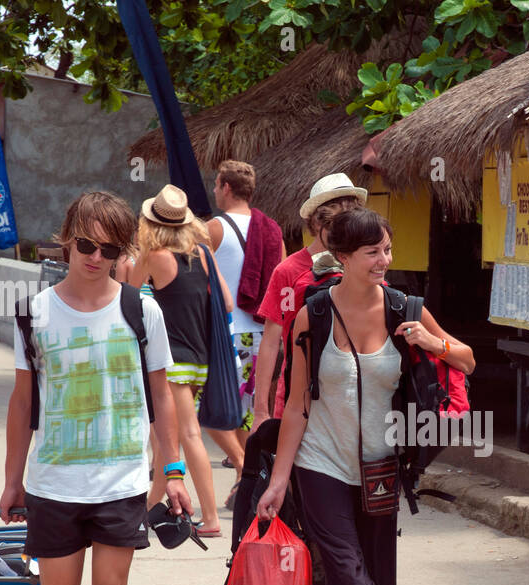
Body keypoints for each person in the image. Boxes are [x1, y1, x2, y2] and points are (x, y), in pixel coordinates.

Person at [256, 208, 474, 585]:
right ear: (346, 257)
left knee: (363, 578)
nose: (385, 260)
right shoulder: (313, 316)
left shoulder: (405, 308)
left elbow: (466, 361)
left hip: (379, 469)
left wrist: (430, 342)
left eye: (388, 250)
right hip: (320, 464)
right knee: (347, 571)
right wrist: (279, 478)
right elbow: (298, 406)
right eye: (373, 252)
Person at [0, 190, 192, 585]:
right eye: (85, 244)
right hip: (53, 482)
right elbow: (20, 402)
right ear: (67, 239)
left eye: (108, 249)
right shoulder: (34, 312)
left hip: (122, 481)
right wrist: (12, 480)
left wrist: (174, 466)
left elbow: (162, 397)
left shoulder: (141, 309)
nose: (95, 257)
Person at [127, 184, 233, 538]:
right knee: (164, 439)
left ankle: (212, 519)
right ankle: (145, 513)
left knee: (188, 434)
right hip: (201, 358)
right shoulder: (203, 252)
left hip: (171, 359)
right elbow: (227, 303)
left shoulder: (154, 255)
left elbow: (123, 294)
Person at [253, 173, 367, 428]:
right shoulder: (288, 271)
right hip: (296, 397)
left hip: (350, 399)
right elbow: (272, 340)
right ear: (317, 222)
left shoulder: (362, 265)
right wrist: (261, 410)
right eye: (336, 223)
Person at [206, 159, 286, 505]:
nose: (213, 190)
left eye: (215, 184)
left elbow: (200, 279)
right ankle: (250, 473)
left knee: (228, 408)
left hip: (230, 332)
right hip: (263, 332)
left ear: (225, 186)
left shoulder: (212, 228)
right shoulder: (272, 229)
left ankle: (244, 473)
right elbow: (281, 277)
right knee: (255, 407)